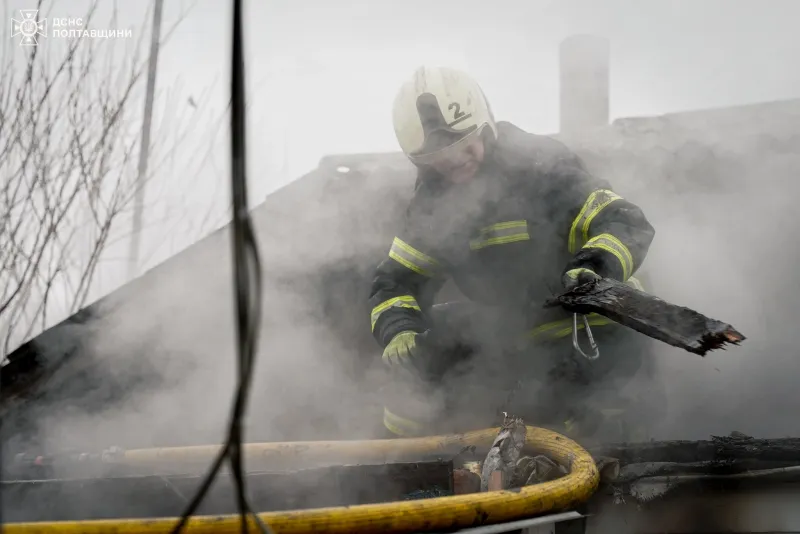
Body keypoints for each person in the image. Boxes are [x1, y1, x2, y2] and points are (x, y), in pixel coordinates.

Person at [368, 66, 661, 442]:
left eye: (463, 143)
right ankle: (403, 469)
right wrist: (399, 332)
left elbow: (624, 221)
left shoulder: (539, 166)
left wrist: (594, 270)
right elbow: (395, 280)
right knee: (412, 371)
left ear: (485, 126)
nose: (455, 160)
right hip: (506, 331)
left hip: (588, 324)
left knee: (591, 427)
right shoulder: (431, 204)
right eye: (438, 156)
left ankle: (613, 462)